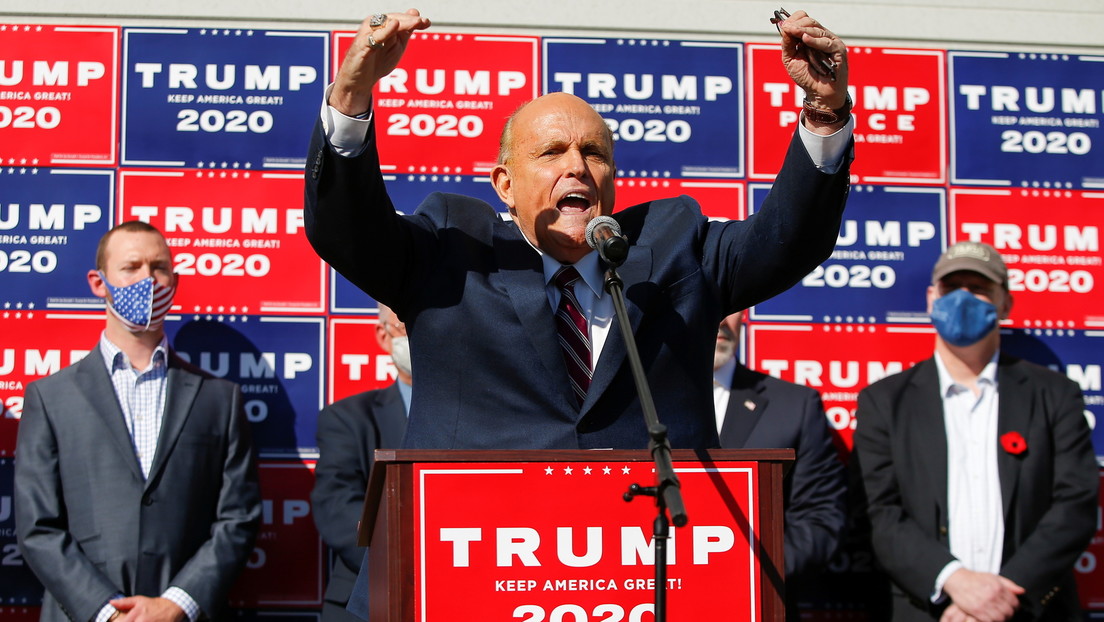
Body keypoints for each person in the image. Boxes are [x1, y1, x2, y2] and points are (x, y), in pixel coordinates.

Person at [305, 8, 853, 451]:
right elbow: (347, 231)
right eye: (551, 153)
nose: (576, 167)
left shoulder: (677, 246)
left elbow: (789, 240)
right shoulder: (451, 248)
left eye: (593, 153)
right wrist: (351, 99)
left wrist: (825, 112)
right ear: (504, 184)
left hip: (647, 564)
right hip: (468, 560)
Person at [15, 221, 262, 622]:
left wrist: (177, 603)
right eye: (131, 267)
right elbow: (37, 526)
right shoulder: (50, 398)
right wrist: (104, 611)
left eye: (159, 267)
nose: (148, 279)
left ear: (175, 281)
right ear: (99, 283)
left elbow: (238, 517)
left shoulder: (220, 399)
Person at [852, 241, 1098, 621]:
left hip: (1030, 610)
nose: (964, 299)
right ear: (932, 299)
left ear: (1005, 303)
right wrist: (953, 581)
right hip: (929, 611)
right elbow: (879, 513)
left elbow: (1075, 504)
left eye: (980, 288)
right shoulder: (884, 402)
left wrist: (999, 596)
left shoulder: (1055, 394)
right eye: (952, 289)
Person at [713, 310, 847, 617]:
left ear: (744, 314)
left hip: (763, 604)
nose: (721, 317)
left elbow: (822, 518)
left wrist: (747, 569)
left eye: (730, 303)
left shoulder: (794, 406)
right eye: (708, 299)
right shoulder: (635, 402)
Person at [311, 304, 410, 622]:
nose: (423, 336)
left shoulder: (485, 420)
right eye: (408, 325)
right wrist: (419, 560)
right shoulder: (347, 419)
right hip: (366, 602)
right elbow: (337, 509)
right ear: (384, 336)